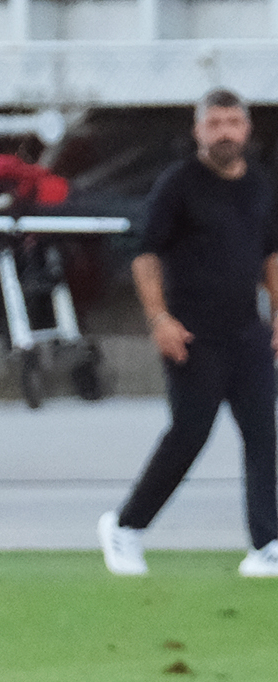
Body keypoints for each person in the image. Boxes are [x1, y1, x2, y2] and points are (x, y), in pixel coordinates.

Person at [98, 88, 278, 578]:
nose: (225, 132)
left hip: (247, 332)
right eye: (214, 123)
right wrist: (159, 318)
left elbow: (269, 255)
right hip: (192, 333)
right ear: (198, 131)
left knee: (265, 435)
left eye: (233, 122)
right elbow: (146, 254)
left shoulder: (260, 185)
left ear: (247, 129)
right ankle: (126, 527)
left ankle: (268, 543)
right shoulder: (178, 185)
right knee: (189, 433)